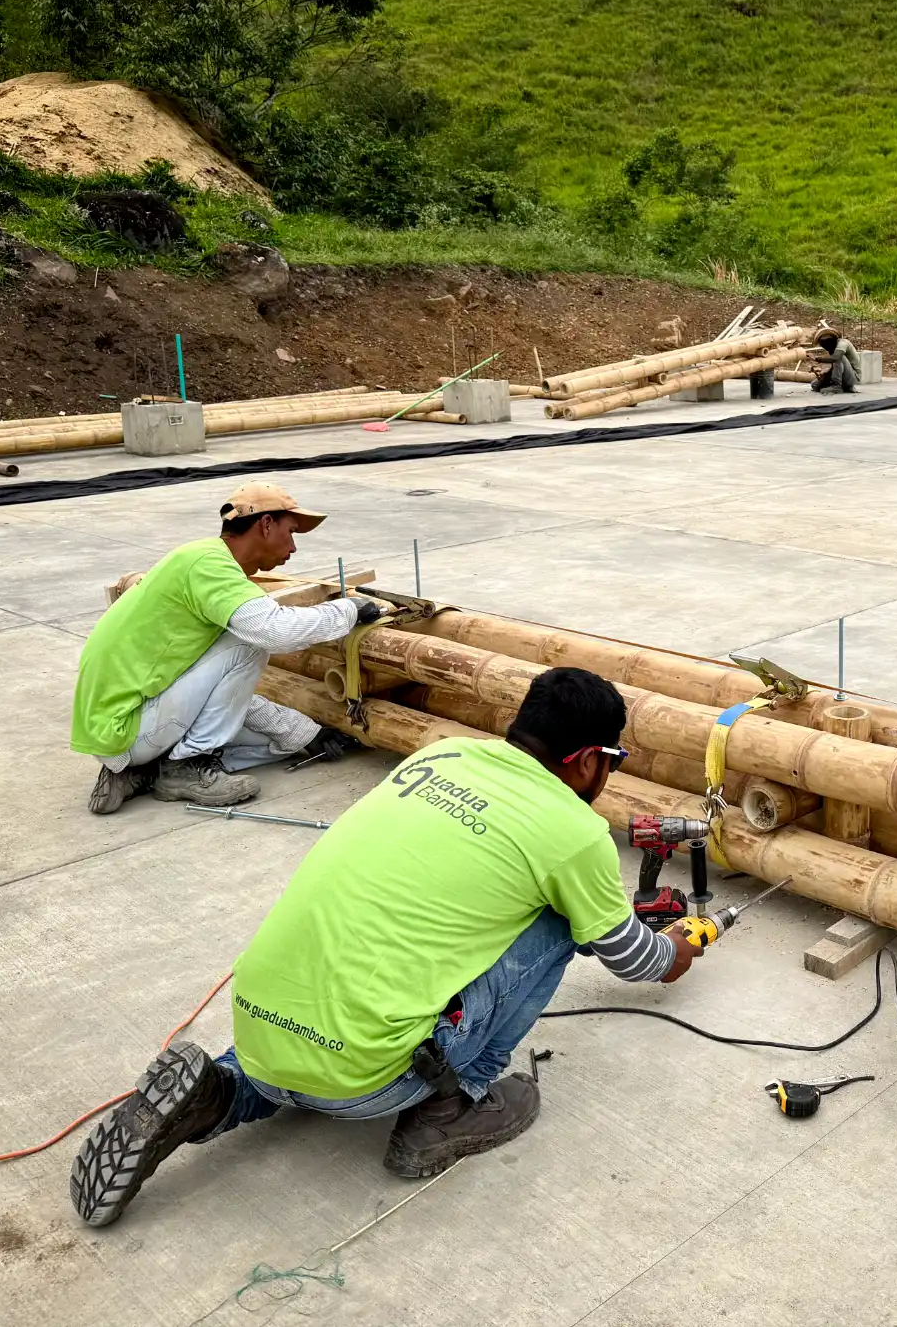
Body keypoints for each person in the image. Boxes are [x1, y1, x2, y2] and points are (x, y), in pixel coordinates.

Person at [70, 667, 704, 1227]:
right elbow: (633, 960)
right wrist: (677, 947)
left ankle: (219, 1092)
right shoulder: (574, 831)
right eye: (615, 761)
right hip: (367, 1084)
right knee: (565, 920)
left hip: (258, 1028)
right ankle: (454, 1105)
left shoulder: (443, 757)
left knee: (315, 1024)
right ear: (589, 759)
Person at [71, 483, 383, 815]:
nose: (293, 547)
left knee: (277, 743)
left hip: (121, 726)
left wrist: (305, 733)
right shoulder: (210, 567)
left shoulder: (198, 557)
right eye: (291, 532)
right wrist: (348, 611)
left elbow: (221, 695)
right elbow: (274, 631)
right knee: (249, 642)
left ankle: (141, 770)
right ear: (266, 524)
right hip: (127, 727)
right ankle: (185, 766)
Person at [811, 327, 864, 394]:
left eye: (827, 340)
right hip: (843, 375)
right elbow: (838, 367)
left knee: (839, 357)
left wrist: (817, 359)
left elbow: (836, 359)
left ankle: (837, 386)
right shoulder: (833, 349)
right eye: (822, 342)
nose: (825, 344)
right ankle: (840, 387)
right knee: (815, 385)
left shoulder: (842, 344)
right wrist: (826, 374)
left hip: (852, 377)